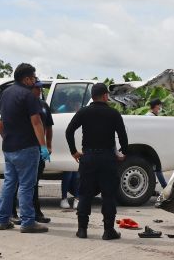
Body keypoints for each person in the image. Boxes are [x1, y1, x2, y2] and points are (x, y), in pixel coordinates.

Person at [65, 83, 127, 241]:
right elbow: (122, 137)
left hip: (88, 157)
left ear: (92, 96)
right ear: (105, 96)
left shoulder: (83, 112)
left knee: (85, 193)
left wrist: (74, 151)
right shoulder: (113, 114)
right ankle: (108, 230)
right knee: (108, 195)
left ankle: (82, 229)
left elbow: (69, 131)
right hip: (107, 158)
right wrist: (123, 153)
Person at [0, 64, 49, 234]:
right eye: (33, 77)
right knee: (27, 186)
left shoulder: (6, 93)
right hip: (27, 146)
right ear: (26, 79)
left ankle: (2, 219)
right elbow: (36, 122)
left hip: (9, 146)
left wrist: (6, 138)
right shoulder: (29, 96)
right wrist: (43, 146)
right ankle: (28, 222)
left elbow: (1, 121)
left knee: (9, 183)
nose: (35, 80)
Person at [12, 80, 52, 224]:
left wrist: (48, 146)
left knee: (34, 182)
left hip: (38, 150)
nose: (39, 90)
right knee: (19, 183)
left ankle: (36, 212)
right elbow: (1, 123)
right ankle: (14, 212)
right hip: (24, 148)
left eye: (40, 88)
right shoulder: (22, 104)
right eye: (36, 88)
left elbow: (48, 127)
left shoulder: (43, 106)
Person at [145, 99, 168, 191]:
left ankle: (151, 189)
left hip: (151, 146)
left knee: (151, 169)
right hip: (151, 146)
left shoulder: (150, 116)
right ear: (155, 106)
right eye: (159, 105)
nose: (160, 107)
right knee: (158, 167)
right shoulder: (150, 117)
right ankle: (165, 187)